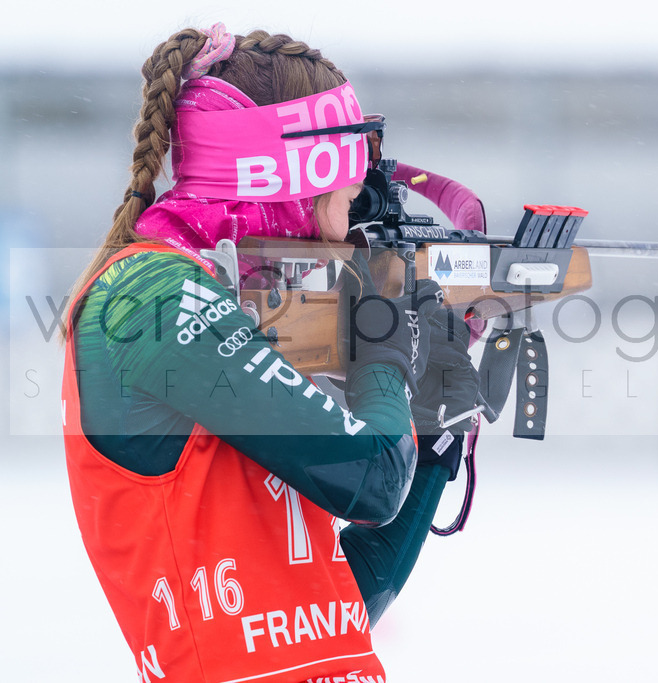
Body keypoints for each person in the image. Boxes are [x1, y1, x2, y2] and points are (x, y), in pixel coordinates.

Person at [60, 24, 480, 682]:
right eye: (344, 202)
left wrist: (437, 425)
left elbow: (337, 612)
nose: (347, 233)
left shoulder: (206, 300)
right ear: (289, 187)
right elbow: (374, 480)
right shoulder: (150, 297)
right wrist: (382, 337)